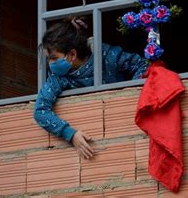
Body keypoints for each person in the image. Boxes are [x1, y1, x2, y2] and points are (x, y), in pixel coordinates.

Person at [34, 16, 149, 159]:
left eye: (53, 57)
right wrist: (71, 134)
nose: (50, 63)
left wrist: (128, 97)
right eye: (48, 59)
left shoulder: (107, 55)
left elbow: (142, 65)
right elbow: (40, 111)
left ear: (72, 55)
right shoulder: (58, 77)